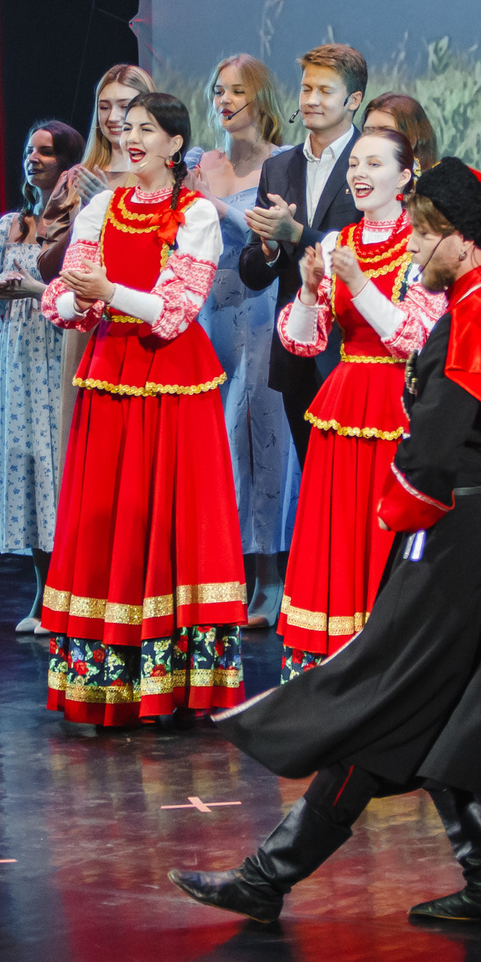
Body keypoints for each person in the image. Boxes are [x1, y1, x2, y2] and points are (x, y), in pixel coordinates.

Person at [173, 161, 481, 925]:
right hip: (475, 530)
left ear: (462, 242)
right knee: (436, 707)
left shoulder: (478, 314)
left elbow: (437, 437)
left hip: (454, 531)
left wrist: (402, 508)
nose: (417, 242)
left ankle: (271, 876)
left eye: (429, 230)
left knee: (387, 696)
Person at [39, 91, 247, 727]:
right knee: (112, 519)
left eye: (147, 130)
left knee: (171, 519)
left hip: (174, 382)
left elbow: (177, 310)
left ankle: (178, 679)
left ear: (175, 144)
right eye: (126, 128)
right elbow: (61, 301)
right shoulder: (101, 207)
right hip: (110, 374)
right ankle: (111, 676)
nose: (132, 139)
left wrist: (107, 293)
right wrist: (83, 300)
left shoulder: (197, 216)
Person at [272, 126, 443, 679]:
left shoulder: (422, 242)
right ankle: (329, 669)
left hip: (399, 401)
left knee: (383, 532)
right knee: (337, 534)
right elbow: (303, 341)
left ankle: (389, 664)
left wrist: (361, 284)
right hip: (345, 401)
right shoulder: (336, 241)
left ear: (405, 175)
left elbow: (416, 338)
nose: (360, 174)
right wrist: (306, 289)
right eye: (354, 165)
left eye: (374, 164)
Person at [187, 54, 300, 629]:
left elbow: (271, 241)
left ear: (260, 99)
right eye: (217, 91)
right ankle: (221, 570)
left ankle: (271, 576)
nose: (225, 101)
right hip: (209, 307)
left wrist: (214, 207)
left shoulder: (284, 165)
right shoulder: (199, 162)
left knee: (258, 435)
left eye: (236, 91)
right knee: (218, 438)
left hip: (259, 306)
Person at [0, 119, 81, 633]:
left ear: (68, 163)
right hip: (19, 358)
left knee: (60, 464)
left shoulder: (79, 220)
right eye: (28, 151)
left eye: (46, 152)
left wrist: (35, 288)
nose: (33, 159)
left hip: (62, 349)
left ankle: (71, 593)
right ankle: (41, 594)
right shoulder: (10, 225)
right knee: (31, 467)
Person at [239, 43, 367, 466]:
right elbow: (253, 273)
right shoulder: (279, 167)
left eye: (325, 91)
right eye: (306, 88)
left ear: (353, 101)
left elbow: (371, 253)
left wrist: (296, 232)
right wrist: (271, 248)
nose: (311, 100)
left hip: (356, 350)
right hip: (296, 350)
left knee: (352, 482)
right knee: (313, 477)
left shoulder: (369, 162)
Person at [54, 64, 157, 441]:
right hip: (89, 318)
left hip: (139, 314)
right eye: (104, 106)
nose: (113, 118)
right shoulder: (79, 175)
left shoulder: (162, 174)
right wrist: (85, 210)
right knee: (89, 430)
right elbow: (53, 259)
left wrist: (107, 203)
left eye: (124, 106)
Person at [364, 90, 439, 172]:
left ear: (412, 137)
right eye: (368, 131)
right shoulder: (354, 177)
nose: (373, 138)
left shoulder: (432, 183)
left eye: (385, 131)